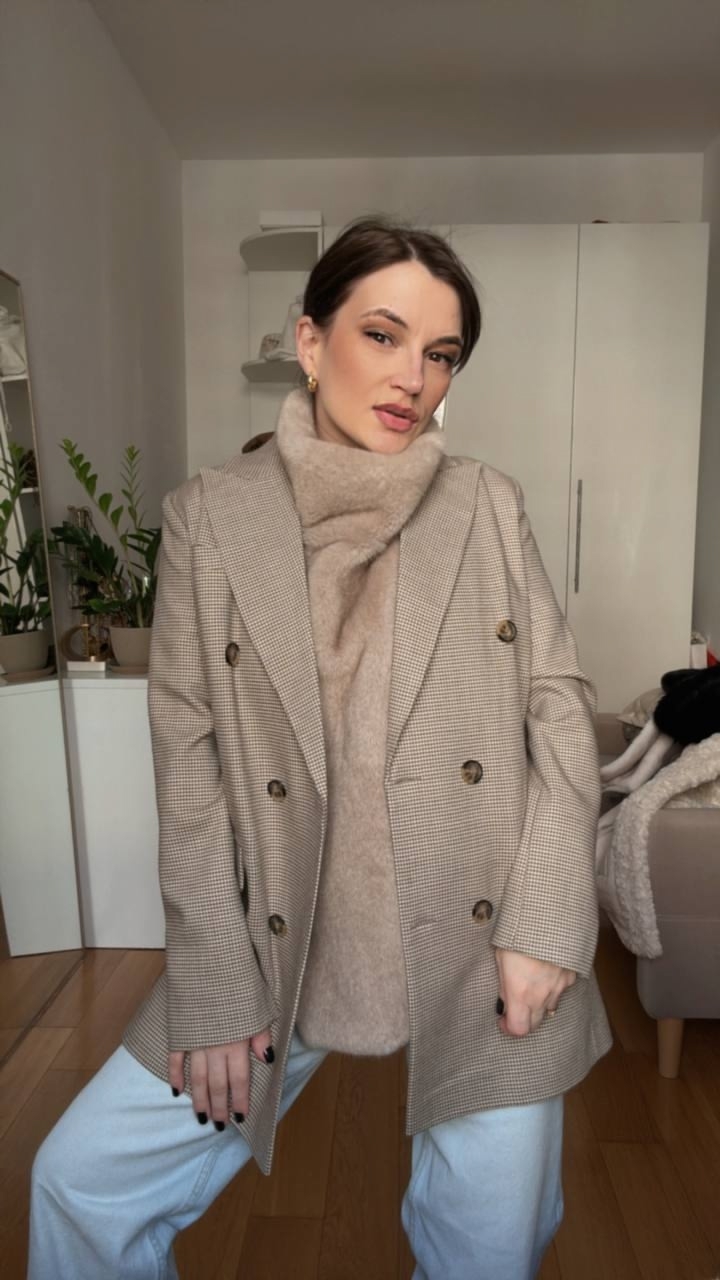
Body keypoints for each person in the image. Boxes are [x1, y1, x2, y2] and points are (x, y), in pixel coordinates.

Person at [29, 217, 612, 1280]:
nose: (412, 378)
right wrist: (213, 979)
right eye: (382, 335)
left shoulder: (488, 505)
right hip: (277, 934)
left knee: (487, 1251)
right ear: (310, 340)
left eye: (440, 354)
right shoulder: (209, 519)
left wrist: (549, 920)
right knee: (80, 1182)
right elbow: (191, 764)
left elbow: (562, 711)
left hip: (484, 932)